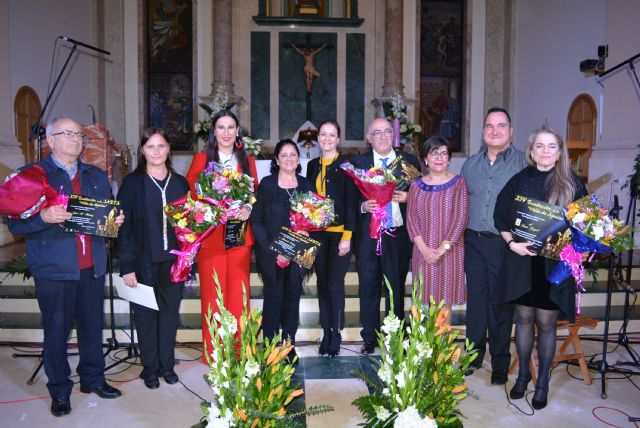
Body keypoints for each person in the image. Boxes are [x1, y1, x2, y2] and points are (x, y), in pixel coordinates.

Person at [7, 118, 124, 417]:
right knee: (57, 332)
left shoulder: (95, 175)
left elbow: (103, 216)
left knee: (92, 328)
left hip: (92, 265)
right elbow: (14, 223)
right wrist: (43, 218)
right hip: (54, 269)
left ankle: (92, 379)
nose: (75, 139)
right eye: (68, 134)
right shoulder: (33, 175)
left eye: (79, 135)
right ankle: (59, 390)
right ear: (50, 140)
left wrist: (114, 221)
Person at [494, 124, 587, 410]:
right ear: (531, 152)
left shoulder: (572, 184)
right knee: (523, 319)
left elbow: (586, 226)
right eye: (539, 146)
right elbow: (500, 216)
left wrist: (582, 246)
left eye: (551, 146)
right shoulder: (518, 181)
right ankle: (523, 376)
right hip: (523, 262)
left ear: (559, 153)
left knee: (546, 324)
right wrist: (512, 244)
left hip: (554, 266)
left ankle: (543, 383)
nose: (545, 151)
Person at [116, 128, 189, 389]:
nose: (156, 151)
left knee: (169, 317)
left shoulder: (180, 183)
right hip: (143, 263)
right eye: (150, 147)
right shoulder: (132, 184)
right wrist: (127, 266)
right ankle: (149, 368)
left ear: (169, 149)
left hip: (173, 264)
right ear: (143, 151)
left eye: (161, 146)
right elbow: (124, 228)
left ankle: (166, 366)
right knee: (146, 318)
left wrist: (188, 260)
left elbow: (190, 228)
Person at [460, 107, 527, 384]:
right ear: (483, 131)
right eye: (489, 126)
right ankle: (473, 355)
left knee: (501, 304)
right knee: (476, 302)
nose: (495, 131)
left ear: (511, 131)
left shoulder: (523, 163)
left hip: (505, 244)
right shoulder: (470, 165)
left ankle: (500, 362)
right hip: (474, 242)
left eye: (501, 126)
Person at [186, 109, 257, 362]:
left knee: (238, 295)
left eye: (231, 127)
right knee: (213, 296)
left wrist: (248, 207)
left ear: (237, 132)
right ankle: (214, 352)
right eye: (221, 127)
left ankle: (238, 352)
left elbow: (254, 194)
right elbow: (193, 193)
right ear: (213, 132)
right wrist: (213, 206)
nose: (226, 132)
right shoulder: (201, 159)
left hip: (238, 234)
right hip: (212, 235)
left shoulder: (247, 161)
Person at [352, 117, 421, 354]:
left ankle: (395, 337)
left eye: (387, 131)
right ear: (369, 138)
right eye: (377, 132)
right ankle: (369, 338)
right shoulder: (358, 163)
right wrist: (362, 206)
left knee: (395, 288)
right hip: (367, 237)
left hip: (397, 236)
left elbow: (423, 197)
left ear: (393, 135)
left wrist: (410, 198)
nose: (383, 136)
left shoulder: (409, 162)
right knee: (368, 288)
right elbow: (347, 199)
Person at [250, 139, 314, 357]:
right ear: (276, 160)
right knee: (273, 297)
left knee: (292, 298)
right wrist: (273, 249)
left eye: (292, 154)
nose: (288, 159)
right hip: (272, 253)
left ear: (298, 159)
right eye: (283, 155)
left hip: (299, 251)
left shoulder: (306, 184)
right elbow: (257, 221)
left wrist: (309, 230)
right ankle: (270, 346)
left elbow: (315, 217)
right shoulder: (267, 184)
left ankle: (288, 346)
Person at [306, 120, 357, 357]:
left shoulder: (346, 166)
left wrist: (347, 237)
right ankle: (325, 331)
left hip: (339, 235)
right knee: (322, 284)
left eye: (332, 135)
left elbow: (351, 204)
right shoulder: (311, 165)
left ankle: (336, 333)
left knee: (335, 285)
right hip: (317, 235)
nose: (327, 139)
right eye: (323, 134)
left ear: (338, 139)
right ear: (318, 138)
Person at [407, 136, 468, 322]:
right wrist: (425, 249)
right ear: (425, 158)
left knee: (443, 302)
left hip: (449, 252)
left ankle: (442, 341)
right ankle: (422, 340)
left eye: (444, 153)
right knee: (421, 300)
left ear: (449, 158)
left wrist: (442, 249)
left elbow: (460, 219)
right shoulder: (416, 185)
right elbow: (411, 220)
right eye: (434, 153)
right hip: (422, 251)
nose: (439, 158)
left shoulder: (458, 183)